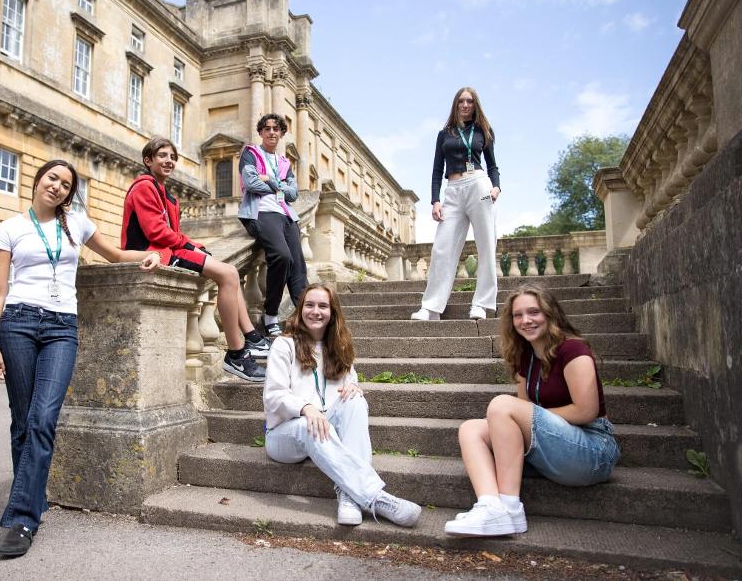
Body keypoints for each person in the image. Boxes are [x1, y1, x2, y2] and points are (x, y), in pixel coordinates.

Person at [0, 160, 163, 558]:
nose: (59, 188)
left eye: (67, 185)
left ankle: (21, 518)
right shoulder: (11, 227)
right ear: (38, 180)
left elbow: (115, 254)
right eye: (53, 179)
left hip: (61, 328)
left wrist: (149, 254)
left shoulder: (77, 223)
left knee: (43, 418)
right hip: (16, 323)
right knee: (22, 420)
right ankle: (33, 499)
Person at [444, 284, 620, 537]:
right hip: (554, 445)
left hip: (593, 450)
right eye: (518, 315)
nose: (525, 320)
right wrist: (531, 420)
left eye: (534, 312)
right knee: (471, 429)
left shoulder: (573, 350)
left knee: (501, 406)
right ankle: (492, 507)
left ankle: (511, 509)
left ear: (550, 314)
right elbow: (522, 415)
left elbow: (586, 411)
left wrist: (534, 419)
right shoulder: (525, 357)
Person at [263, 283, 422, 528]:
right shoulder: (284, 345)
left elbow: (351, 384)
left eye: (323, 306)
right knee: (310, 423)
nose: (315, 311)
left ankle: (349, 497)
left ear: (332, 312)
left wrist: (354, 388)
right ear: (300, 309)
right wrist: (306, 407)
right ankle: (376, 497)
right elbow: (273, 396)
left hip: (326, 430)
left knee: (356, 400)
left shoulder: (340, 347)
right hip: (285, 434)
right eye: (310, 305)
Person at [122, 136, 269, 382]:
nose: (169, 161)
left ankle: (251, 337)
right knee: (228, 274)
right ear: (148, 160)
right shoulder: (144, 187)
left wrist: (194, 246)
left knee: (230, 272)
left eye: (172, 157)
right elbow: (156, 233)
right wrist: (190, 245)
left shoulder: (166, 195)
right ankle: (236, 354)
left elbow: (172, 233)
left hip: (167, 250)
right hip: (153, 254)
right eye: (162, 156)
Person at [411, 86, 500, 322]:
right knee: (442, 248)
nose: (465, 105)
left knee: (486, 245)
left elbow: (493, 165)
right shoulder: (444, 134)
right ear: (455, 104)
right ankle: (431, 307)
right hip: (453, 190)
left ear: (475, 104)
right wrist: (435, 200)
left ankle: (481, 304)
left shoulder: (484, 131)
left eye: (470, 101)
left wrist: (496, 186)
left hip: (479, 186)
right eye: (461, 101)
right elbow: (436, 170)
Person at [239, 113, 308, 338]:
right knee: (282, 256)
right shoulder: (250, 154)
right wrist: (279, 187)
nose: (271, 132)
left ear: (281, 133)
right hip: (262, 211)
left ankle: (305, 316)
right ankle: (270, 315)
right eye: (267, 128)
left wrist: (270, 180)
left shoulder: (284, 162)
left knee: (298, 266)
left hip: (287, 215)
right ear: (260, 132)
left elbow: (294, 193)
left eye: (276, 129)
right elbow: (250, 182)